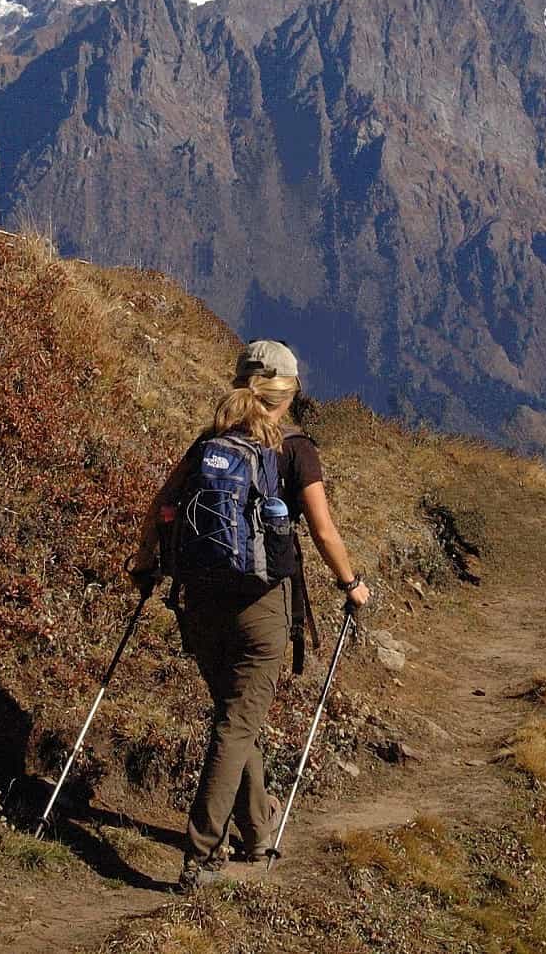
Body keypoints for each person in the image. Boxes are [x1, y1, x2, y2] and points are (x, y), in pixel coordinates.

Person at [127, 339, 372, 892]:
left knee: (237, 718)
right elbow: (323, 529)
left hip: (199, 601)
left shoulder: (211, 442)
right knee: (236, 723)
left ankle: (257, 833)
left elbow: (160, 505)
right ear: (288, 393)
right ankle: (201, 855)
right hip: (261, 606)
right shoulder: (295, 448)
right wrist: (351, 585)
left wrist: (147, 563)